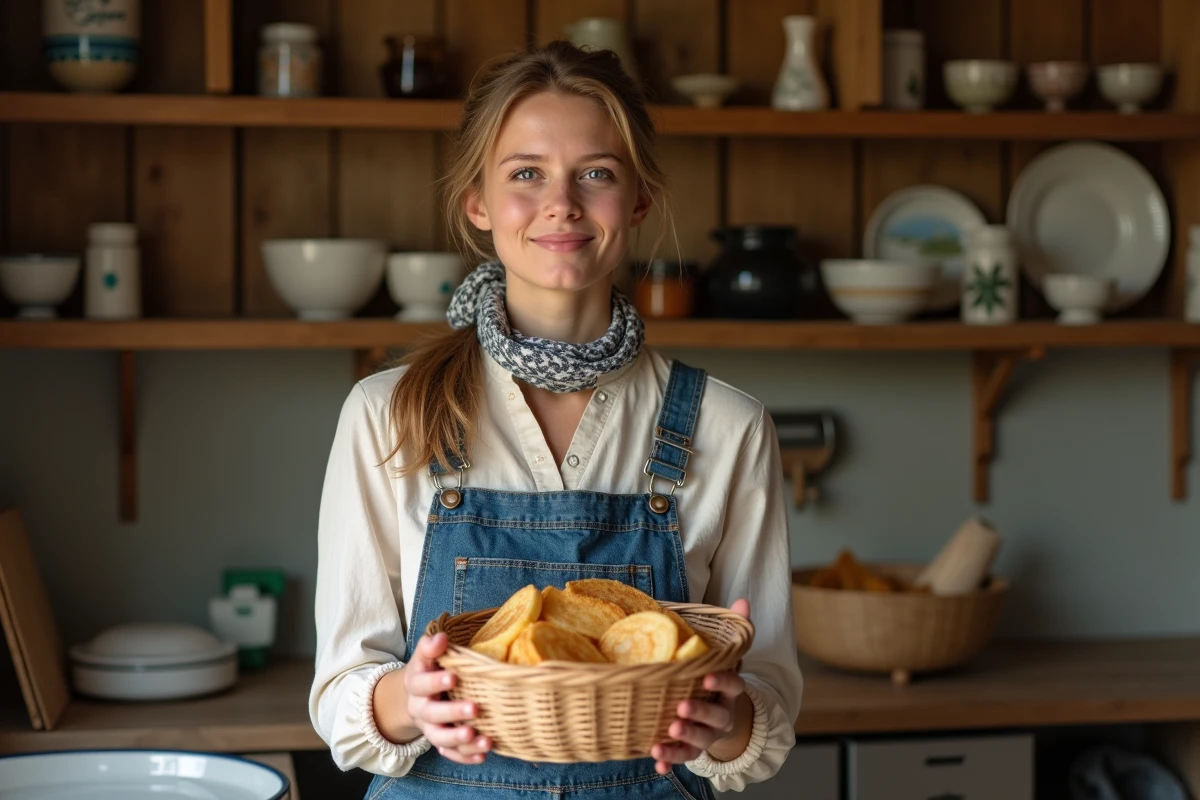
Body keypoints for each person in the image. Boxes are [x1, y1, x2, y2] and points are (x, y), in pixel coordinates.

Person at [310, 40, 803, 799]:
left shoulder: (728, 427)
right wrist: (409, 702)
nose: (562, 203)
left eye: (596, 173)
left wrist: (729, 721)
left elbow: (765, 701)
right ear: (478, 202)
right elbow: (342, 690)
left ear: (638, 199)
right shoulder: (388, 413)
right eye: (526, 173)